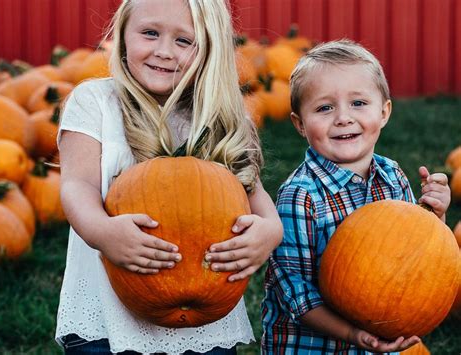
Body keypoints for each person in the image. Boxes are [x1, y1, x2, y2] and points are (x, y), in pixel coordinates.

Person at [56, 0, 283, 353]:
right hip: (108, 315)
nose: (164, 51)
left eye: (184, 41)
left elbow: (253, 191)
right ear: (122, 36)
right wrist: (102, 232)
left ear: (209, 50)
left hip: (205, 311)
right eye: (150, 33)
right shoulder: (96, 102)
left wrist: (270, 229)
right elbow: (77, 184)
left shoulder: (217, 116)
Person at [261, 39, 451, 354]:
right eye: (324, 107)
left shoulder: (392, 178)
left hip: (375, 335)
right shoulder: (300, 196)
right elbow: (295, 293)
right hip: (314, 346)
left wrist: (436, 214)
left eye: (358, 103)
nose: (343, 117)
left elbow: (420, 254)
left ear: (384, 112)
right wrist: (352, 334)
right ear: (299, 124)